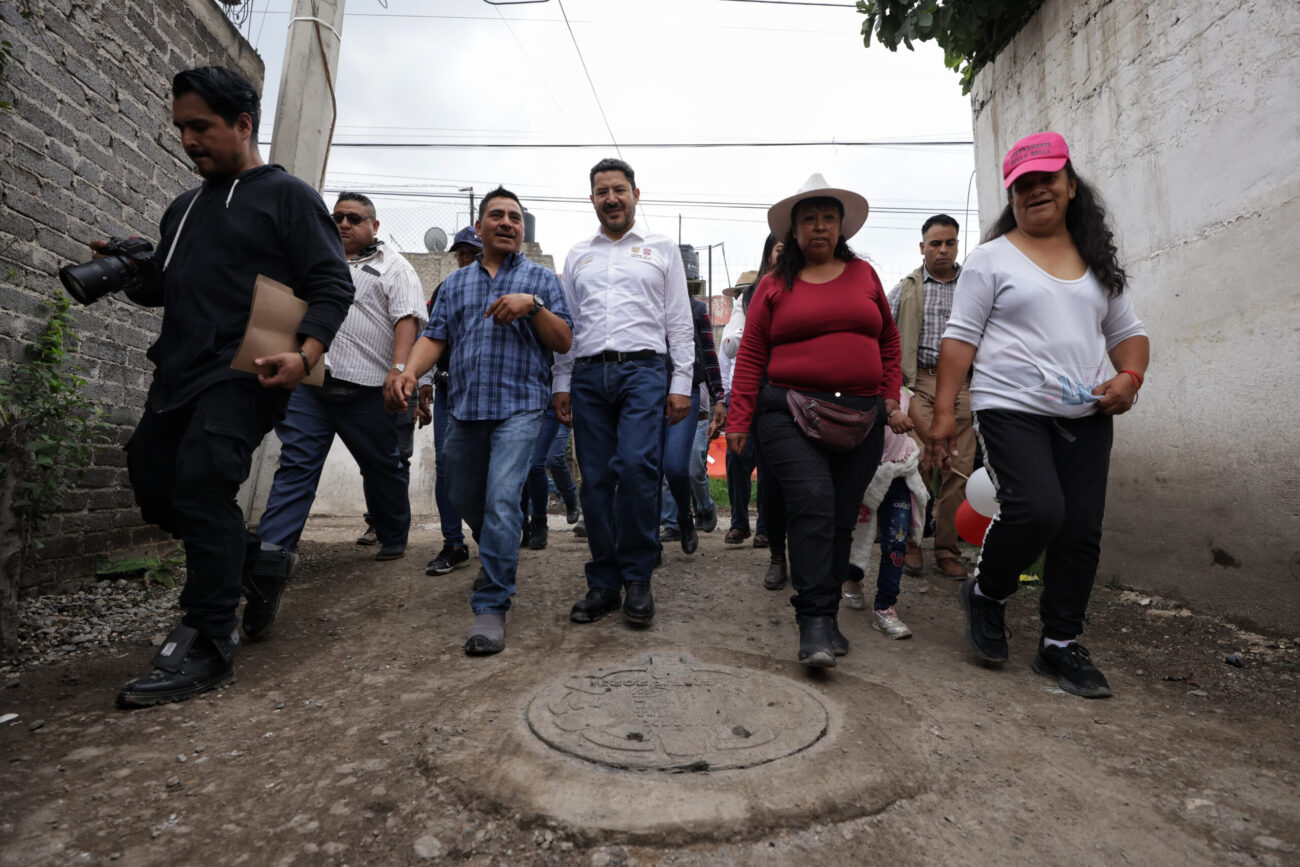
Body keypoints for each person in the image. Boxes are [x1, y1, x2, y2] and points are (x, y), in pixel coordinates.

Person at [109, 67, 354, 707]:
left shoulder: (288, 197)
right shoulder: (182, 208)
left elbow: (333, 282)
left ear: (243, 124)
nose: (188, 140)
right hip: (178, 372)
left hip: (248, 370)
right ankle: (257, 563)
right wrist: (132, 272)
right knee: (157, 486)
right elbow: (166, 287)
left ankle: (210, 639)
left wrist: (306, 354)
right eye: (181, 128)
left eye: (201, 127)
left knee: (202, 481)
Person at [926, 132, 1149, 699]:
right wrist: (947, 414)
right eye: (1022, 185)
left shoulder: (1096, 260)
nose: (1035, 191)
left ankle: (1058, 644)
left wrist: (1130, 377)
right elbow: (959, 339)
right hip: (1011, 407)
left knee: (1080, 530)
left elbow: (1128, 334)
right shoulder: (990, 259)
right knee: (1038, 509)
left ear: (1070, 185)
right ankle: (988, 592)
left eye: (1046, 178)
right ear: (1012, 196)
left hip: (1087, 413)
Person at [727, 174, 905, 668]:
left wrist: (890, 398)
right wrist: (740, 417)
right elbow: (751, 354)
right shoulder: (771, 286)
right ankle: (813, 623)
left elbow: (889, 343)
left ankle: (825, 613)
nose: (820, 226)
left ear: (842, 227)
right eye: (809, 219)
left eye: (829, 218)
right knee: (813, 502)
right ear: (795, 230)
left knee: (843, 516)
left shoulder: (865, 275)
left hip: (862, 418)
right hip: (788, 412)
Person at [388, 188, 572, 655]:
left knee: (502, 498)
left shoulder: (542, 280)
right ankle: (500, 542)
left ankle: (491, 602)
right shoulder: (455, 284)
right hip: (467, 407)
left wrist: (532, 306)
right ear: (481, 225)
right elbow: (434, 337)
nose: (508, 222)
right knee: (462, 492)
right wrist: (410, 371)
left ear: (523, 229)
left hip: (520, 406)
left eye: (515, 217)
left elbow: (565, 340)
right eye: (497, 215)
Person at [254, 191, 425, 595]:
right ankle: (271, 554)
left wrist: (398, 371)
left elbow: (408, 320)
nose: (343, 224)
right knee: (297, 464)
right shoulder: (312, 262)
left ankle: (394, 532)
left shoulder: (394, 268)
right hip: (311, 384)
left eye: (354, 218)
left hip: (368, 389)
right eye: (337, 218)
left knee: (382, 466)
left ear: (374, 226)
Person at [553, 158, 694, 627]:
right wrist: (563, 382)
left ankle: (638, 579)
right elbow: (569, 327)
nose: (611, 198)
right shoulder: (578, 255)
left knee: (637, 468)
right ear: (591, 198)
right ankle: (604, 584)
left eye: (619, 190)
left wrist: (681, 384)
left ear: (636, 193)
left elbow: (679, 322)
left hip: (644, 372)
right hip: (590, 376)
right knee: (594, 479)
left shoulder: (660, 249)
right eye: (601, 192)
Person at [888, 214, 971, 579]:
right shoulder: (905, 288)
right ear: (922, 247)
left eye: (949, 243)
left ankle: (947, 550)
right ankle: (911, 544)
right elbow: (885, 337)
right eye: (935, 243)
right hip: (919, 383)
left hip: (965, 386)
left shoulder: (973, 286)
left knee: (960, 467)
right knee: (919, 464)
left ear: (957, 245)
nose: (942, 250)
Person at [721, 239, 789, 590]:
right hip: (748, 389)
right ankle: (738, 521)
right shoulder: (747, 300)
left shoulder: (799, 288)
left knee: (772, 467)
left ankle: (765, 529)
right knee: (737, 460)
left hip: (788, 389)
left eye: (785, 245)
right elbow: (729, 349)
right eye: (775, 246)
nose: (781, 251)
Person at [842, 390, 927, 639]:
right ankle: (853, 577)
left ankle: (884, 607)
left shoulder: (906, 395)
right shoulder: (855, 389)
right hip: (862, 477)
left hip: (899, 476)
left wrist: (936, 445)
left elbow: (925, 429)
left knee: (896, 543)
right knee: (855, 536)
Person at [424, 226, 482, 576]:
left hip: (485, 391)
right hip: (448, 388)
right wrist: (424, 381)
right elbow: (433, 337)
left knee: (489, 469)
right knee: (447, 467)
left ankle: (492, 539)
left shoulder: (501, 286)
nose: (464, 259)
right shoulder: (446, 288)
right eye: (460, 253)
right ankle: (453, 543)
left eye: (471, 253)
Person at [659, 289, 726, 553]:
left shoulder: (695, 309)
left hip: (686, 390)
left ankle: (685, 516)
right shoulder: (640, 303)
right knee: (648, 470)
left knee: (677, 467)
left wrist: (719, 397)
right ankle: (651, 542)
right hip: (645, 389)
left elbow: (709, 354)